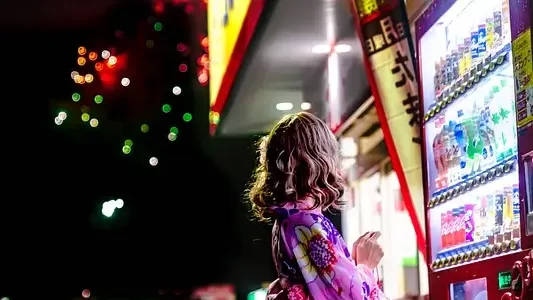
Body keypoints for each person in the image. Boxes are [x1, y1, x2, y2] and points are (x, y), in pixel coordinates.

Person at [248, 112, 387, 300]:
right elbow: (351, 295)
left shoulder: (288, 219)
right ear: (319, 159)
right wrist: (366, 264)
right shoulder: (305, 222)